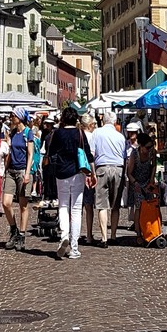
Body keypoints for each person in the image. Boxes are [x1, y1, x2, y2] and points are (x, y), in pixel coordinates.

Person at [45, 106, 94, 260]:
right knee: (76, 209)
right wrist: (92, 173)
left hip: (61, 173)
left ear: (63, 119)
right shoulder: (80, 133)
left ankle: (64, 235)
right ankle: (74, 247)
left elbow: (50, 152)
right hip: (78, 173)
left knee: (63, 206)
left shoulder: (57, 133)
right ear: (76, 119)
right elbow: (88, 154)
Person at [90, 111, 127, 246]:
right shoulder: (120, 137)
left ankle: (104, 237)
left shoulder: (97, 133)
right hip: (118, 168)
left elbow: (92, 154)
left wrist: (92, 173)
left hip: (102, 167)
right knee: (115, 205)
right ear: (115, 122)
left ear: (103, 121)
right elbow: (124, 157)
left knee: (102, 204)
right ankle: (114, 235)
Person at [2, 107, 34, 251]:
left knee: (23, 206)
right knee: (6, 203)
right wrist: (5, 168)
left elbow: (30, 154)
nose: (11, 118)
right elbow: (10, 152)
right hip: (11, 171)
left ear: (20, 117)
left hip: (22, 171)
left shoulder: (28, 133)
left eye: (13, 116)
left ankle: (21, 235)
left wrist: (27, 173)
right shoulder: (13, 133)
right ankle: (13, 229)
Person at [79, 114, 97, 245]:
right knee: (89, 206)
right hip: (88, 172)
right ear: (90, 125)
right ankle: (89, 235)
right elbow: (92, 157)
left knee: (76, 206)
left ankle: (76, 233)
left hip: (77, 172)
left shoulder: (77, 136)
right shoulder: (92, 137)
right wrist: (92, 174)